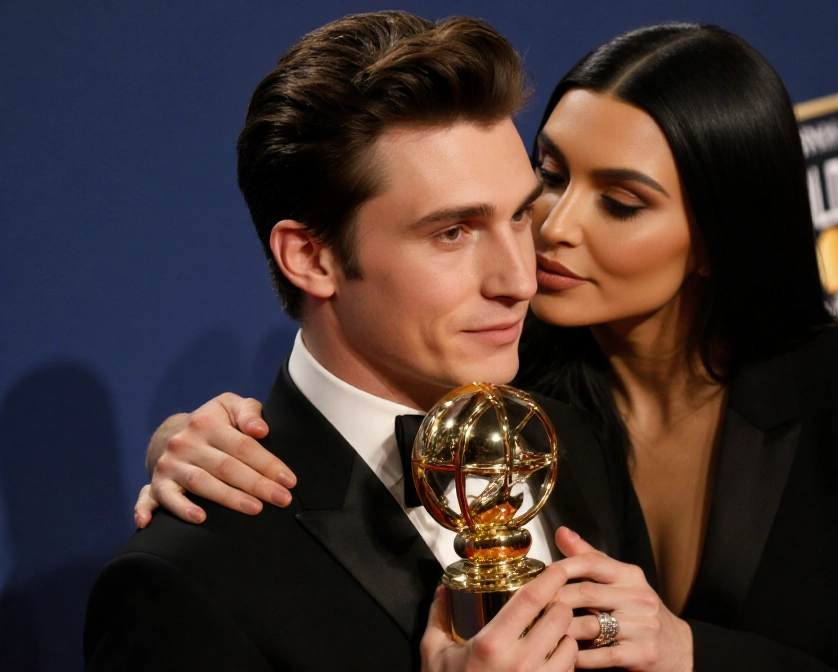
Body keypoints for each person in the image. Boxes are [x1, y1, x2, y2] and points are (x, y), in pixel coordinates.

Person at [138, 22, 838, 672]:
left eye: (623, 201)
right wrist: (191, 441)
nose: (538, 254)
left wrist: (688, 654)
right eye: (553, 180)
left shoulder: (547, 428)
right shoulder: (501, 378)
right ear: (310, 256)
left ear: (715, 234)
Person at [83, 12, 651, 672]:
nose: (520, 280)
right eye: (452, 233)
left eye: (520, 215)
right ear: (312, 259)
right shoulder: (187, 583)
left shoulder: (569, 439)